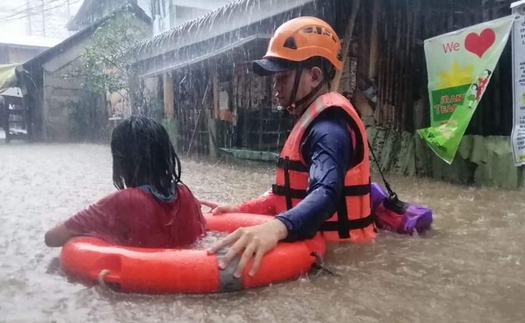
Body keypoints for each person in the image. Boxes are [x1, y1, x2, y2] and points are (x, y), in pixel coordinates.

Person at [199, 16, 376, 278]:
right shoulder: (311, 119)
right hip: (322, 249)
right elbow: (284, 195)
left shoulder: (329, 128)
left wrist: (276, 228)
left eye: (282, 78)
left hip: (343, 260)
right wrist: (241, 210)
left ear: (314, 76)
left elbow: (326, 193)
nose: (275, 88)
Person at [45, 115, 206, 248]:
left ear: (121, 161)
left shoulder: (124, 201)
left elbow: (52, 238)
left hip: (140, 283)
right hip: (185, 275)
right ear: (166, 155)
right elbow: (202, 233)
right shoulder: (186, 195)